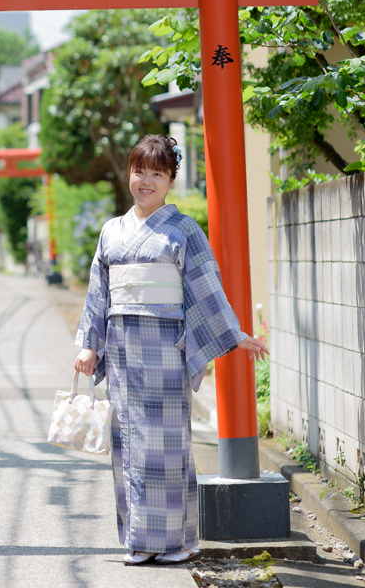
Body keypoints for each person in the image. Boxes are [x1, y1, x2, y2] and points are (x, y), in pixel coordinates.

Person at [73, 134, 268, 565]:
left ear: (171, 180)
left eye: (156, 174)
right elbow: (97, 293)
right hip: (121, 350)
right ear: (129, 174)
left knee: (166, 445)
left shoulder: (184, 230)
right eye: (139, 171)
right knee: (128, 442)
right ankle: (140, 540)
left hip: (164, 349)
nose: (146, 181)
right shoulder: (112, 231)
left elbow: (205, 286)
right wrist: (89, 345)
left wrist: (233, 333)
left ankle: (177, 541)